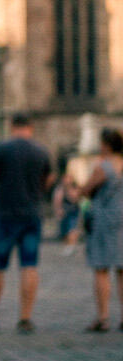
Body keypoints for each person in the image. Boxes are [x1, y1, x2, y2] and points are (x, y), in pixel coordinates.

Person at [0, 113, 55, 334]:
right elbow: (49, 178)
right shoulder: (40, 150)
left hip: (6, 215)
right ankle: (25, 318)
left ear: (12, 126)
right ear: (30, 127)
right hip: (32, 214)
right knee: (29, 265)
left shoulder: (2, 148)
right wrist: (36, 191)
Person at [81, 128, 123, 332]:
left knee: (101, 268)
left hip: (105, 220)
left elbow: (86, 190)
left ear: (106, 145)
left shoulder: (104, 167)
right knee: (122, 269)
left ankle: (103, 317)